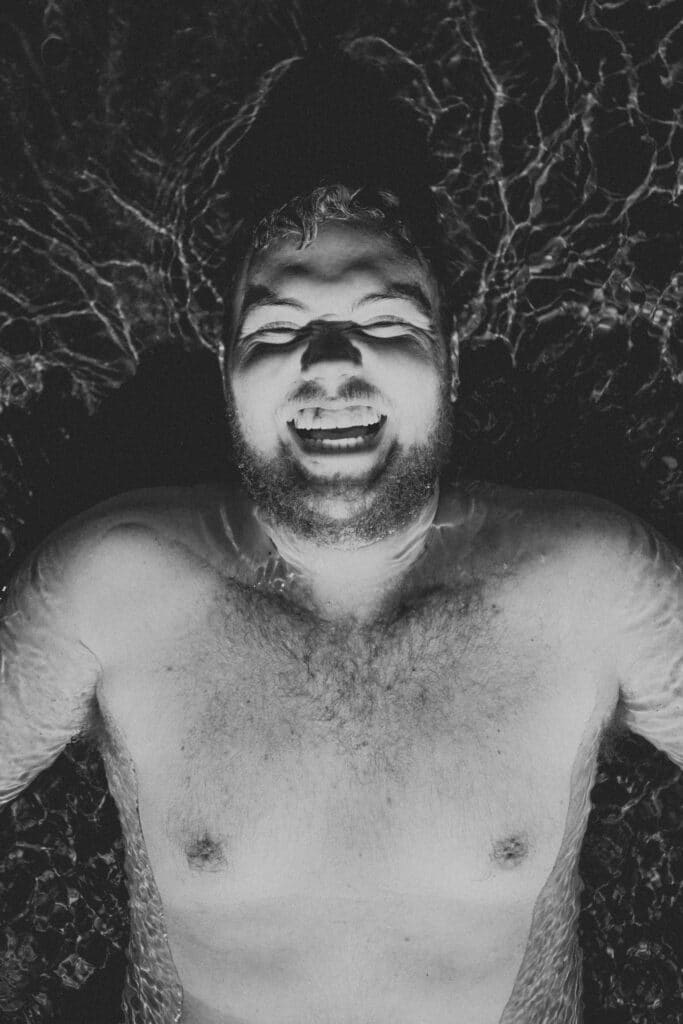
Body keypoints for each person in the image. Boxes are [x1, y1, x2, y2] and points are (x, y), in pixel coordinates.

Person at [1, 176, 682, 1024]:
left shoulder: (592, 583)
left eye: (385, 323)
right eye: (278, 329)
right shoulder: (111, 585)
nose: (328, 361)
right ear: (226, 369)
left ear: (450, 360)